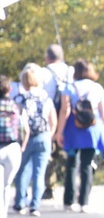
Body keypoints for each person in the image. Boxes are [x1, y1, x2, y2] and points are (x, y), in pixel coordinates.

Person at [54, 59, 104, 213]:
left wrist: (59, 132)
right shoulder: (97, 88)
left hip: (73, 128)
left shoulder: (69, 87)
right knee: (86, 165)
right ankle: (84, 202)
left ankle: (68, 201)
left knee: (71, 164)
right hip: (92, 129)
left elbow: (64, 110)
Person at [12, 64, 57, 216]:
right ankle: (35, 205)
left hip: (25, 137)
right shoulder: (46, 98)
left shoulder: (20, 99)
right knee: (39, 172)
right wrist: (50, 135)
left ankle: (20, 202)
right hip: (43, 136)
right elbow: (53, 120)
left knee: (22, 170)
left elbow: (16, 120)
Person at [38, 44, 73, 200]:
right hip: (69, 118)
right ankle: (72, 180)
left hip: (49, 118)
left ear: (47, 57)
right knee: (67, 152)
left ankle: (49, 186)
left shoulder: (43, 72)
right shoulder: (70, 70)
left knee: (49, 155)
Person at [0, 75, 29, 218]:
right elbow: (24, 130)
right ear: (9, 89)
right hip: (12, 148)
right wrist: (22, 146)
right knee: (5, 186)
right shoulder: (17, 106)